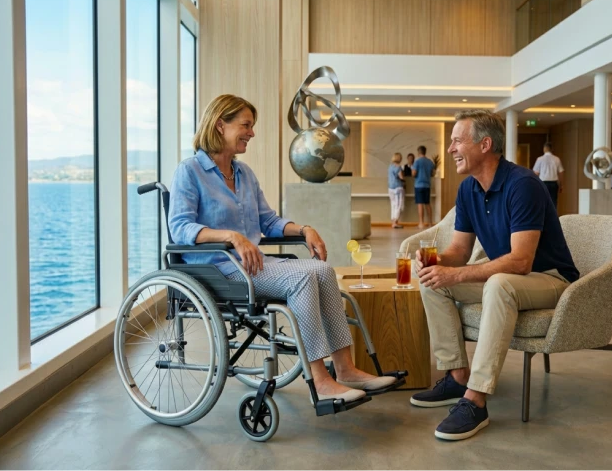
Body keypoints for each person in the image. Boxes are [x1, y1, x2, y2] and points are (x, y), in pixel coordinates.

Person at [168, 94, 395, 403]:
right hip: (220, 271)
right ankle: (321, 379)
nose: (251, 132)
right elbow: (180, 228)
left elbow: (269, 221)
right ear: (221, 125)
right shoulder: (190, 171)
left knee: (323, 270)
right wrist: (232, 236)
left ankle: (346, 370)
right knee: (301, 278)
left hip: (256, 265)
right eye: (246, 125)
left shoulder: (244, 174)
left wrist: (304, 229)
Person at [411, 110, 579, 441]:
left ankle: (476, 399)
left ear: (485, 144)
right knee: (432, 281)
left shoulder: (523, 185)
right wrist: (436, 262)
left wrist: (456, 276)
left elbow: (521, 262)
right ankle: (457, 375)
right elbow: (459, 251)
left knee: (499, 283)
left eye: (457, 141)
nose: (450, 149)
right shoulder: (468, 189)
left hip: (551, 279)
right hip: (514, 278)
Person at [532, 142, 564, 210]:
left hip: (543, 183)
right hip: (553, 183)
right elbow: (561, 172)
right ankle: (553, 218)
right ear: (551, 149)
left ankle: (544, 218)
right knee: (553, 202)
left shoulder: (540, 159)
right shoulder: (556, 159)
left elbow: (536, 173)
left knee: (542, 201)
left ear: (544, 149)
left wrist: (534, 185)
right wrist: (561, 185)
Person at [413, 146, 435, 228]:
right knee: (427, 203)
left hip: (418, 185)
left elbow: (414, 173)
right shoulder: (430, 162)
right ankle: (430, 223)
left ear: (418, 152)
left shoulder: (417, 161)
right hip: (427, 185)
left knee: (420, 204)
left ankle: (421, 223)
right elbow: (432, 173)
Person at [388, 153, 405, 229]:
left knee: (393, 205)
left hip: (390, 188)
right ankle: (395, 222)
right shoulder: (398, 167)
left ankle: (393, 221)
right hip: (398, 188)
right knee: (398, 205)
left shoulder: (390, 167)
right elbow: (401, 177)